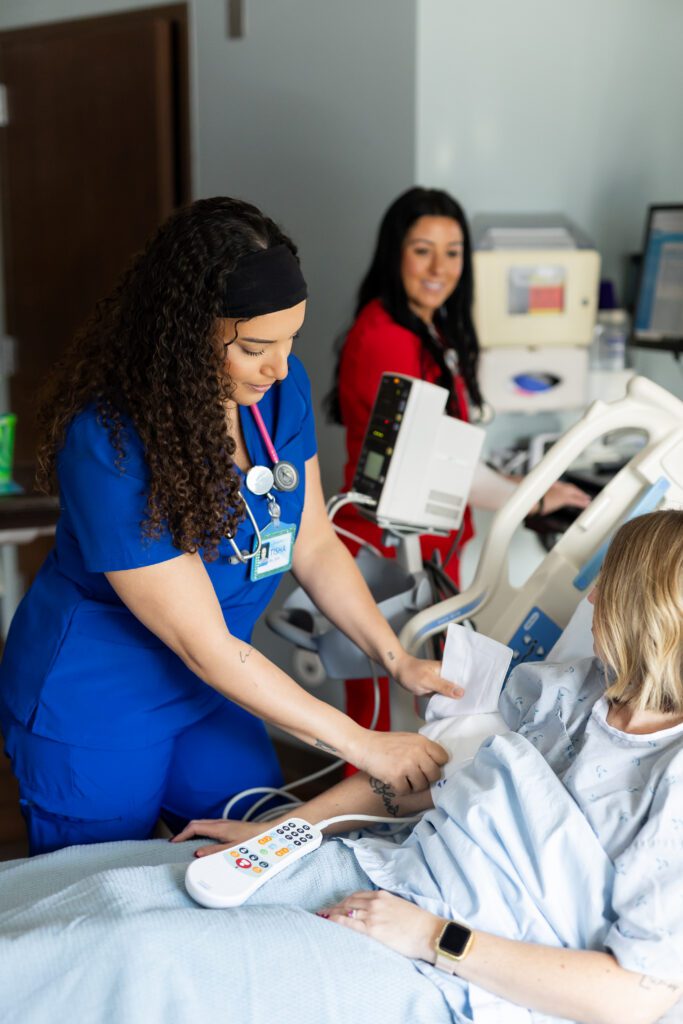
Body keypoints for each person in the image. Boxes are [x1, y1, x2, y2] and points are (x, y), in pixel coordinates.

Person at [0, 197, 461, 857]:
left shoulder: (277, 392)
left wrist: (398, 659)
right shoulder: (110, 444)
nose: (280, 367)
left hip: (212, 692)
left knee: (261, 844)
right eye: (254, 348)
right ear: (187, 334)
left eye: (290, 340)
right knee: (104, 883)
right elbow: (204, 645)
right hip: (99, 702)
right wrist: (362, 745)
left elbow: (313, 542)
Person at [174, 509, 683, 1024]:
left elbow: (635, 996)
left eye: (608, 584)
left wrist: (432, 936)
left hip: (460, 966)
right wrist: (283, 833)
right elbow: (430, 774)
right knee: (164, 889)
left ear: (648, 612)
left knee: (174, 972)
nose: (590, 598)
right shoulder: (566, 689)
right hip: (393, 873)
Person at [325, 186, 591, 733]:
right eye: (422, 250)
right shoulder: (386, 338)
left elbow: (450, 445)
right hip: (387, 554)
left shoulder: (430, 329)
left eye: (452, 252)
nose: (438, 268)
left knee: (425, 717)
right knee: (380, 724)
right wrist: (533, 496)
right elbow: (431, 460)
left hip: (427, 550)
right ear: (395, 253)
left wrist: (521, 484)